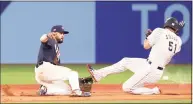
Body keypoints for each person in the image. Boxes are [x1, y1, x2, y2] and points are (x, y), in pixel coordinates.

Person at [87, 17, 185, 95]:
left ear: (166, 25)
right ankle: (98, 74)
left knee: (126, 87)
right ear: (175, 29)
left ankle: (154, 91)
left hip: (150, 69)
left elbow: (146, 46)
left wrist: (148, 36)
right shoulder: (179, 41)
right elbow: (167, 52)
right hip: (154, 67)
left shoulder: (159, 31)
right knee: (125, 61)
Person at [35, 25, 92, 97]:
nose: (63, 35)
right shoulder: (51, 39)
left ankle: (46, 90)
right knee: (73, 73)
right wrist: (47, 35)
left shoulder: (55, 46)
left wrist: (75, 81)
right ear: (54, 33)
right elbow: (42, 39)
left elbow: (57, 67)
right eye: (61, 33)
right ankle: (77, 92)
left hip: (43, 73)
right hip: (45, 68)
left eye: (63, 34)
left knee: (67, 90)